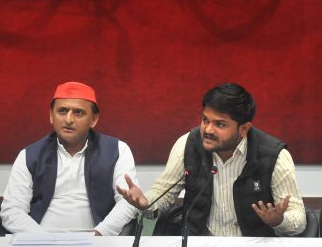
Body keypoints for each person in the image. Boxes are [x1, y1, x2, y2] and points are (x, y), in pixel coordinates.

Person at [117, 83, 306, 237]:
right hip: (200, 241)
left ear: (243, 129)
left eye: (220, 124)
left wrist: (278, 221)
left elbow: (298, 218)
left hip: (253, 242)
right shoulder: (187, 145)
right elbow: (163, 194)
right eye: (205, 120)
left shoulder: (274, 155)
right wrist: (146, 202)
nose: (208, 130)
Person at [1, 81, 139, 235]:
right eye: (62, 111)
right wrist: (45, 240)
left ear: (94, 119)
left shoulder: (118, 150)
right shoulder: (29, 155)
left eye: (78, 112)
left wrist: (99, 234)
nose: (68, 119)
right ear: (51, 116)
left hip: (97, 241)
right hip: (40, 241)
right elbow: (11, 210)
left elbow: (127, 203)